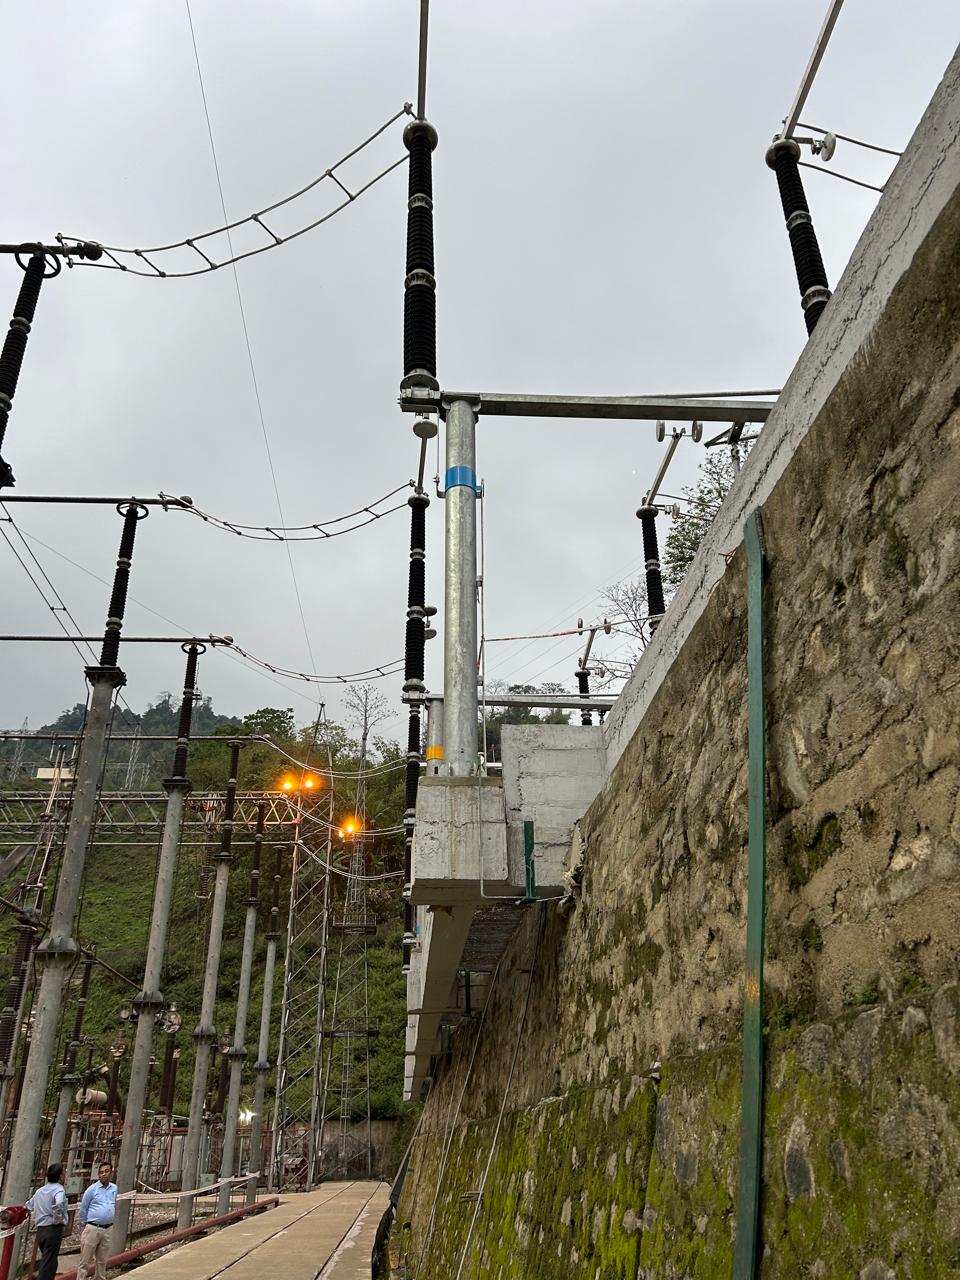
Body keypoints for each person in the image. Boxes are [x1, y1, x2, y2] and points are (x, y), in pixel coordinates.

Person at [25, 1163, 69, 1280]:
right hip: (53, 1230)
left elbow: (28, 1206)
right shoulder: (59, 1190)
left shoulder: (40, 1191)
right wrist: (58, 1220)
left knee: (47, 1259)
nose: (65, 1176)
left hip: (41, 1231)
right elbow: (59, 1205)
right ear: (60, 1176)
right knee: (49, 1264)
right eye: (64, 1173)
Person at [76, 1161, 117, 1280]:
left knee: (102, 1260)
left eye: (106, 1171)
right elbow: (83, 1208)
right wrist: (86, 1224)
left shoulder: (114, 1188)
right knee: (85, 1260)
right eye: (101, 1172)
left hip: (107, 1229)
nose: (103, 1174)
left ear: (111, 1172)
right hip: (93, 1228)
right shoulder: (92, 1189)